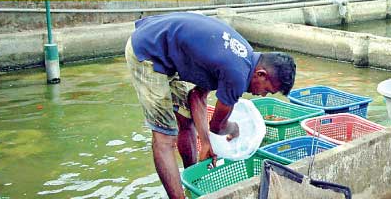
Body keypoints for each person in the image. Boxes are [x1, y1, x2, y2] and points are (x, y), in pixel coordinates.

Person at [125, 12, 297, 199]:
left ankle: (192, 180)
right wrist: (235, 128)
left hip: (165, 48)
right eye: (267, 90)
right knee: (165, 137)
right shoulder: (237, 76)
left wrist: (206, 142)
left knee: (186, 119)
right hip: (148, 52)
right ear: (261, 74)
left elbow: (197, 97)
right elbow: (217, 126)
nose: (261, 94)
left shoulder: (244, 56)